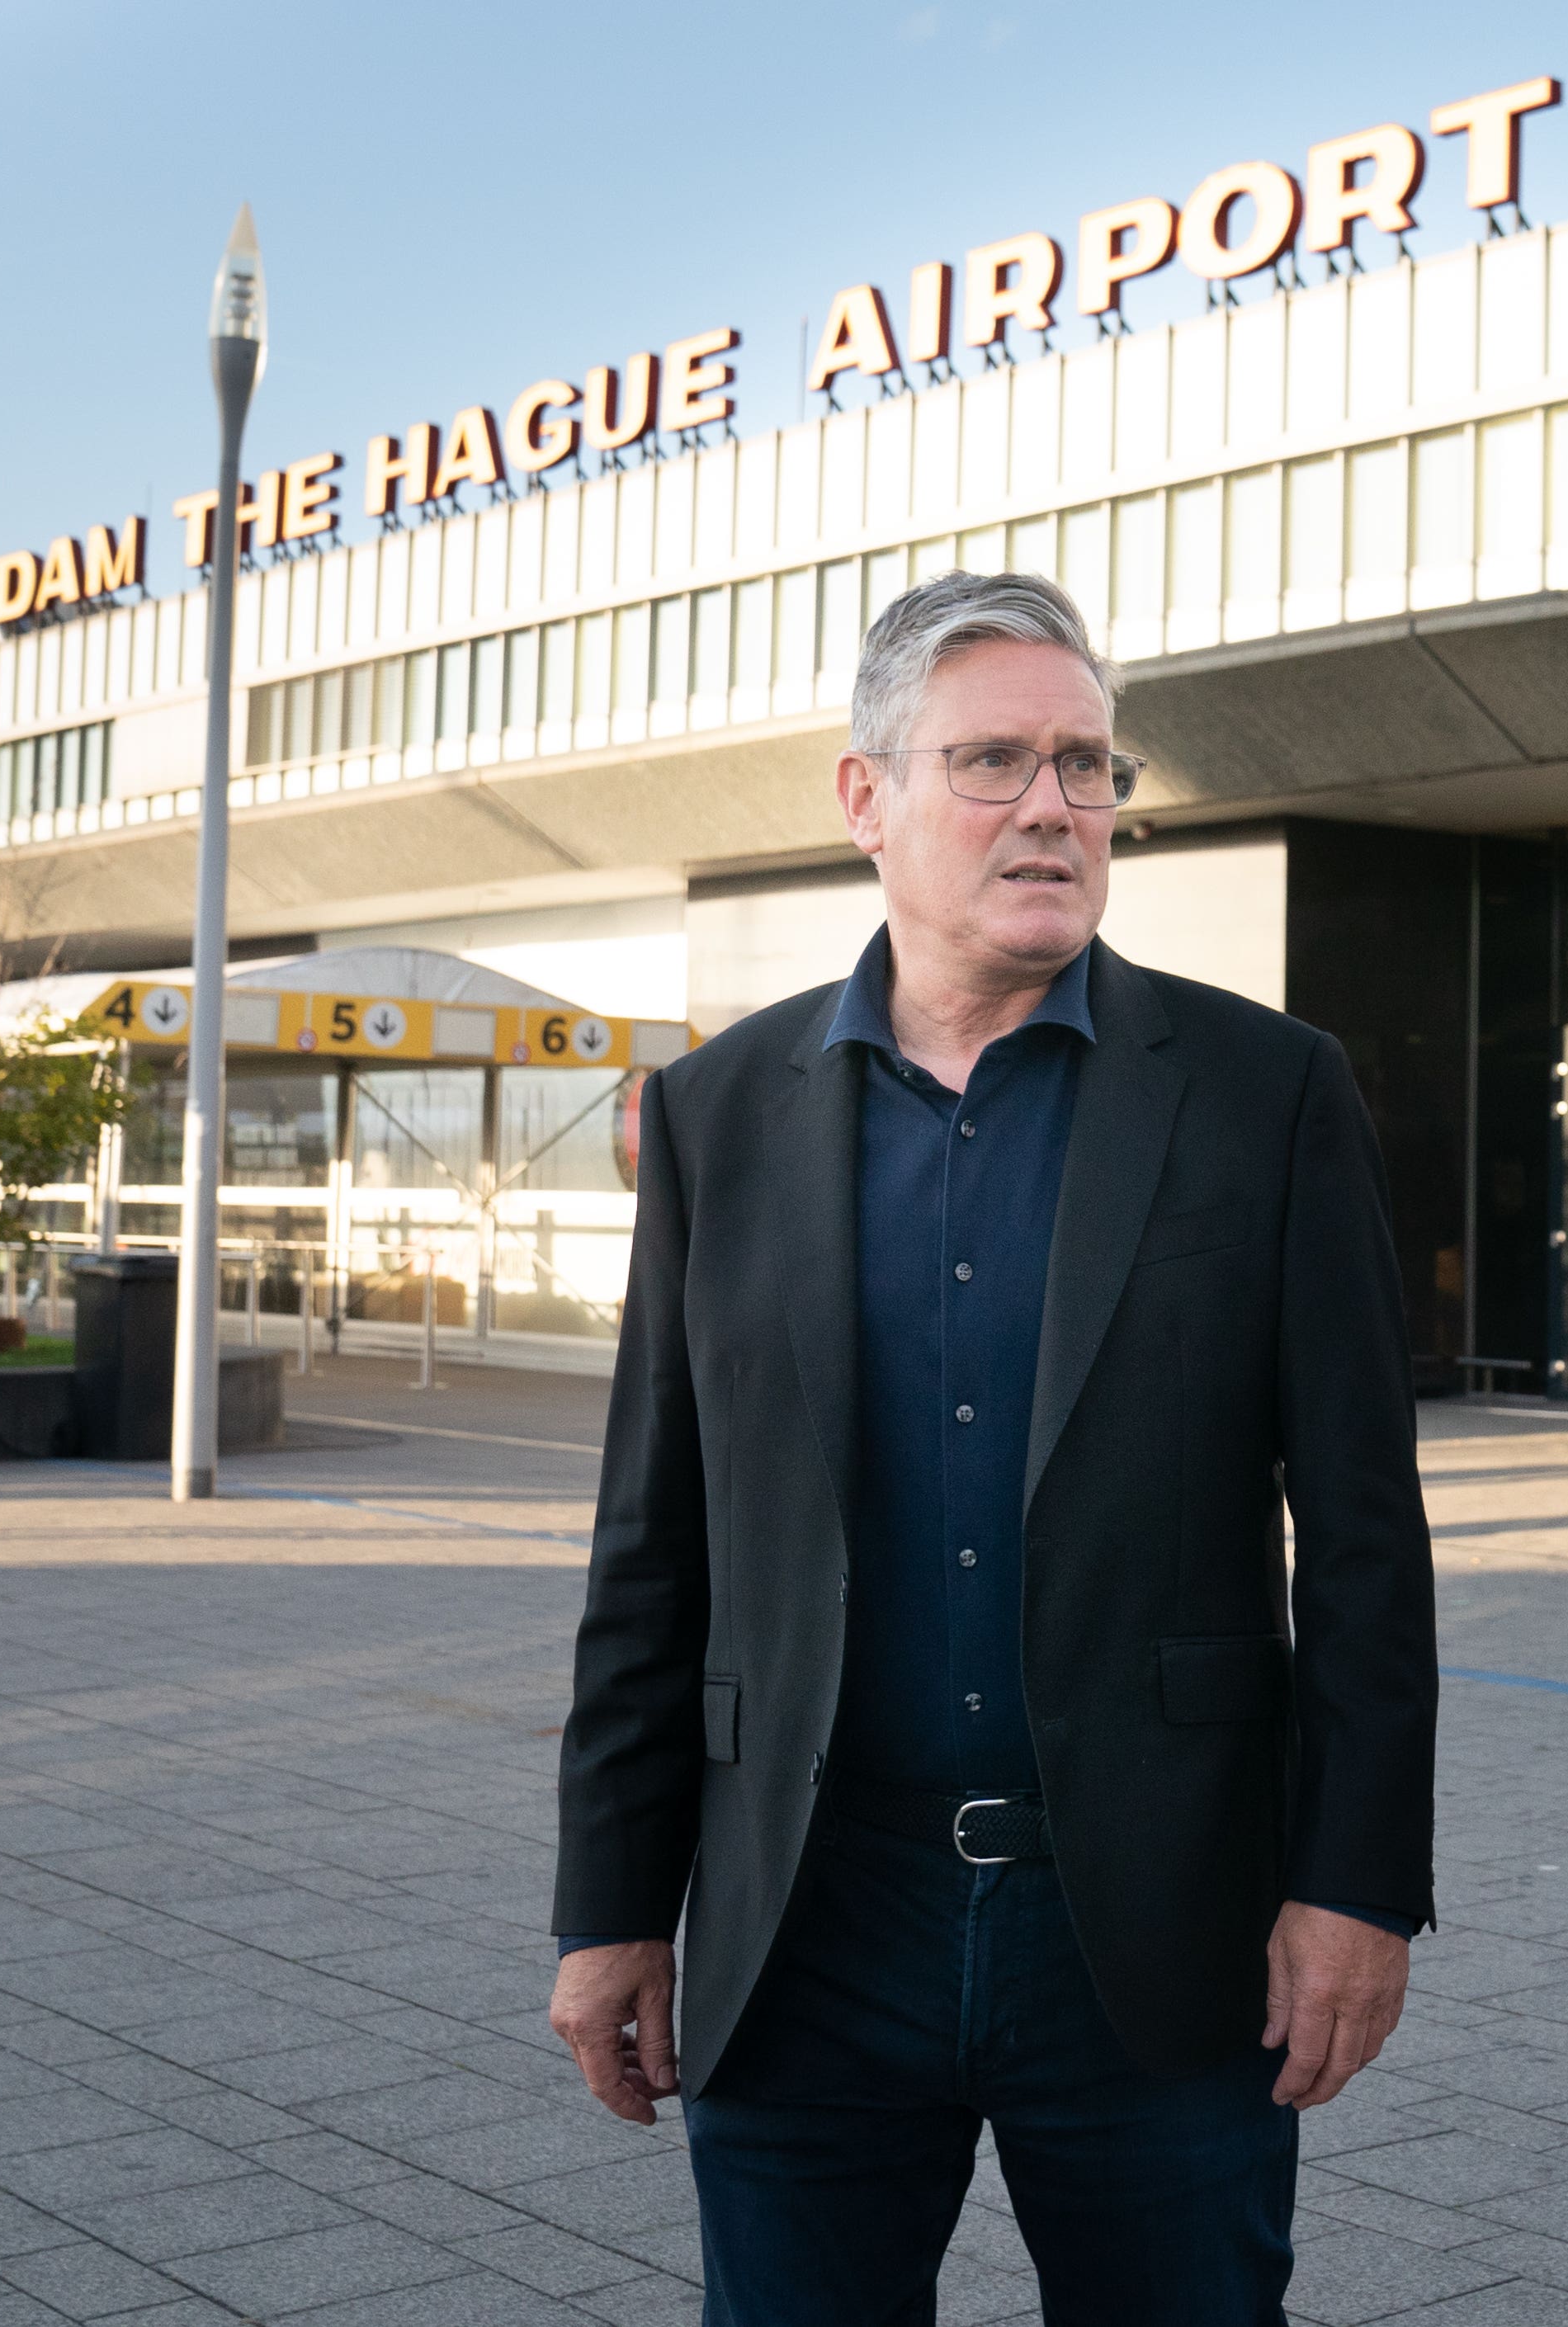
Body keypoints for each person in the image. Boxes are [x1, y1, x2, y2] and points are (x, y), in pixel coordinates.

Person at [549, 572, 1438, 2326]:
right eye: (996, 761)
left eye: (1088, 766)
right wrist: (609, 1903)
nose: (1054, 804)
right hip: (806, 1927)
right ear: (865, 798)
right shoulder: (719, 1112)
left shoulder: (1265, 1093)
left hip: (1159, 1936)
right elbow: (654, 1542)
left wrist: (1354, 1888)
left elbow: (1359, 1541)